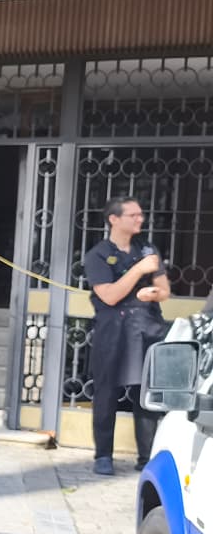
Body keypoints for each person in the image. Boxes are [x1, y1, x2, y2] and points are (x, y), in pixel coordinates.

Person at [83, 196, 171, 475]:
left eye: (140, 215)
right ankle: (103, 456)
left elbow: (164, 290)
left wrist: (152, 293)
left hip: (146, 328)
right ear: (114, 219)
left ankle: (146, 457)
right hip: (113, 331)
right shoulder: (97, 254)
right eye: (133, 215)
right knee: (106, 391)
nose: (139, 219)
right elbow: (108, 296)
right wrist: (138, 272)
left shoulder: (147, 249)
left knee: (144, 393)